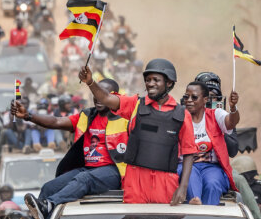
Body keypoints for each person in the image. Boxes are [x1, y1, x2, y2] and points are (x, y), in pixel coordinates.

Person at [12, 79, 126, 219]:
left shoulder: (125, 118)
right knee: (48, 187)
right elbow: (56, 121)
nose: (98, 97)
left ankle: (50, 205)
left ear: (115, 96)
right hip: (88, 169)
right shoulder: (87, 115)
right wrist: (28, 115)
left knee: (83, 179)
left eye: (103, 94)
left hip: (113, 172)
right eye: (95, 93)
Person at [80, 60, 198, 204]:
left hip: (165, 182)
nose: (150, 83)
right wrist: (91, 82)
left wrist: (183, 187)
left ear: (169, 83)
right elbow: (105, 98)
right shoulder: (135, 104)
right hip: (135, 181)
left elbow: (189, 152)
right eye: (148, 80)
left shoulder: (182, 114)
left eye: (156, 80)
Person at [180, 81, 239, 205]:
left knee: (213, 184)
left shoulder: (216, 114)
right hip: (185, 165)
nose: (189, 100)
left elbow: (231, 123)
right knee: (190, 176)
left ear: (205, 99)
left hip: (211, 167)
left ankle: (207, 215)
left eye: (194, 97)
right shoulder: (179, 116)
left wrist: (233, 108)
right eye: (186, 97)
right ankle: (195, 204)